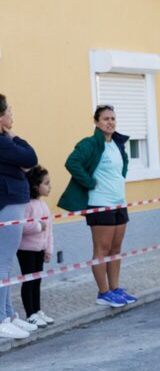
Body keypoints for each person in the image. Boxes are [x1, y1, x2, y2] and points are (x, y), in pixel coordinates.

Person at [57, 105, 137, 308]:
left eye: (113, 118)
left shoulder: (117, 144)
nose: (110, 122)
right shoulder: (90, 143)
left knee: (116, 249)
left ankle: (115, 289)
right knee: (102, 249)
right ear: (96, 122)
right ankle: (103, 293)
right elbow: (72, 163)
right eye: (105, 119)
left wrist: (119, 180)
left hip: (119, 203)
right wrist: (89, 182)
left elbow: (123, 166)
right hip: (100, 204)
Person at [0, 94, 40, 339]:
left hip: (11, 201)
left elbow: (27, 164)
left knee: (5, 263)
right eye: (9, 112)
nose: (12, 116)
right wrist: (15, 138)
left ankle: (8, 314)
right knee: (2, 262)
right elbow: (30, 158)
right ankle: (1, 319)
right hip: (7, 202)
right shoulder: (3, 143)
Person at [17, 165, 55, 327]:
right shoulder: (27, 205)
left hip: (40, 249)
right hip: (26, 250)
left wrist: (48, 249)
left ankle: (38, 310)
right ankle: (30, 314)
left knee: (37, 281)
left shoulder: (44, 205)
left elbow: (49, 230)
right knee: (29, 281)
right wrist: (38, 226)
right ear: (35, 186)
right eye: (46, 183)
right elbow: (21, 226)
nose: (50, 186)